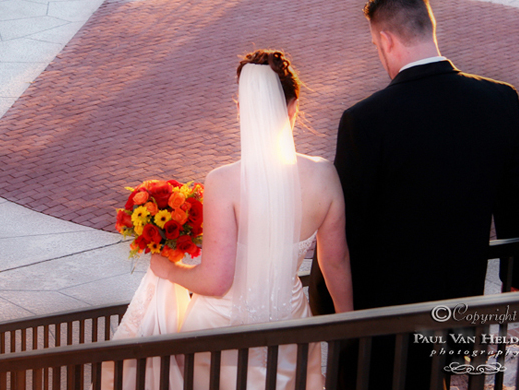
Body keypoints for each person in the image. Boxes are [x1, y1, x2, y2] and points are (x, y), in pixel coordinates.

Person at [308, 0, 519, 389]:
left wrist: (328, 309)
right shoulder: (500, 102)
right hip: (457, 310)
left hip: (382, 323)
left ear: (385, 39)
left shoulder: (365, 121)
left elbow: (344, 227)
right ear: (428, 27)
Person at [102, 49, 353, 390]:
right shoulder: (325, 175)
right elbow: (335, 262)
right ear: (294, 107)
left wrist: (168, 269)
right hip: (291, 329)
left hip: (222, 333)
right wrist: (351, 326)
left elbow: (217, 281)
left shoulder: (224, 181)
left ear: (240, 110)